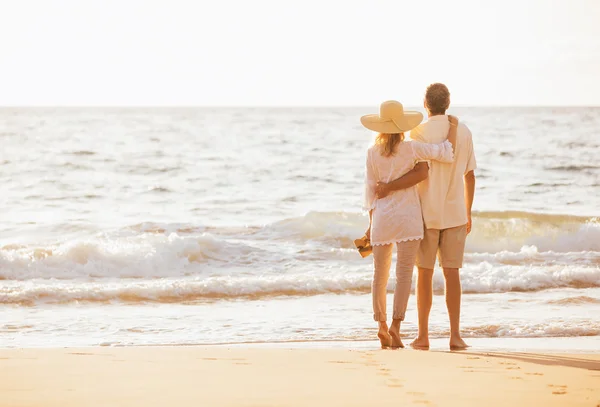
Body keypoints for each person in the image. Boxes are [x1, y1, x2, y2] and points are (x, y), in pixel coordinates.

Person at [376, 83, 477, 350]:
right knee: (452, 273)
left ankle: (423, 336)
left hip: (424, 213)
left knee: (425, 273)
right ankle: (455, 336)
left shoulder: (417, 132)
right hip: (455, 213)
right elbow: (470, 175)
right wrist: (467, 212)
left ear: (425, 103)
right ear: (448, 102)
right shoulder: (463, 131)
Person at [362, 100, 459, 349]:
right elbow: (446, 152)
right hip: (408, 218)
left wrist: (370, 225)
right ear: (402, 126)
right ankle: (396, 326)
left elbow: (371, 193)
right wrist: (453, 127)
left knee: (379, 276)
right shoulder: (412, 148)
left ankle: (381, 326)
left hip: (382, 218)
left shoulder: (372, 153)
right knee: (404, 275)